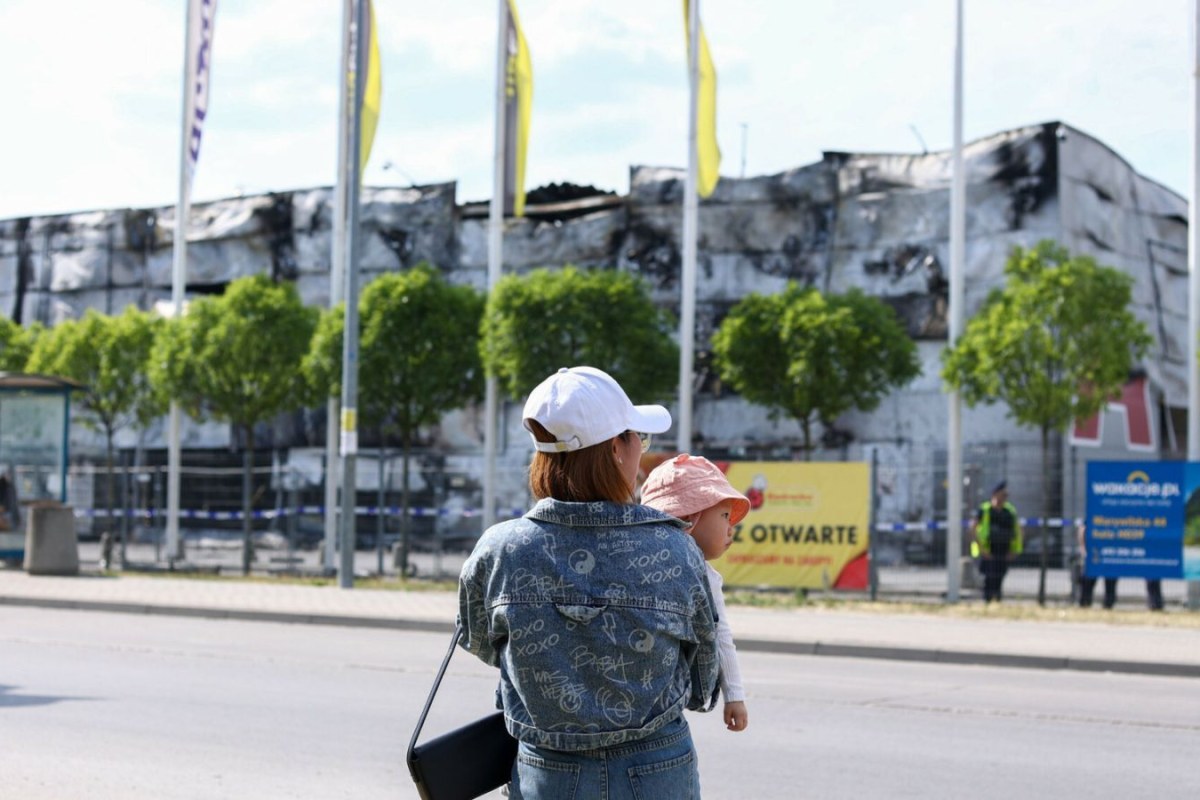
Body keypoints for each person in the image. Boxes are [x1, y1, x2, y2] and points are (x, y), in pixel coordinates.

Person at [458, 366, 719, 800]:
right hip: (657, 767)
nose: (641, 452)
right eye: (639, 439)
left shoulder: (500, 549)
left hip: (547, 772)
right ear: (616, 448)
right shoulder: (675, 548)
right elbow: (703, 677)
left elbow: (481, 642)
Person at [641, 453, 751, 733]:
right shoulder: (698, 573)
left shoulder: (637, 559)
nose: (731, 528)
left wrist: (734, 694)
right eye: (724, 515)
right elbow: (720, 634)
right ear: (690, 518)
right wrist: (735, 697)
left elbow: (721, 635)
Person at [1076, 522, 1164, 611]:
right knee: (1089, 579)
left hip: (1133, 550)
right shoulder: (1099, 515)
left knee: (1151, 575)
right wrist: (1084, 550)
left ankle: (1155, 605)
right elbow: (1084, 527)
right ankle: (1085, 604)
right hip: (1101, 551)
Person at [969, 480, 1022, 602]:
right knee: (989, 579)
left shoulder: (1009, 512)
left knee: (999, 578)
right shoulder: (985, 510)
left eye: (1006, 495)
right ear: (995, 494)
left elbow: (1018, 532)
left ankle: (997, 601)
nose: (1004, 498)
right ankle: (987, 601)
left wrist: (1014, 550)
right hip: (988, 551)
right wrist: (981, 549)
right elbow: (973, 529)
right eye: (1003, 495)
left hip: (1004, 551)